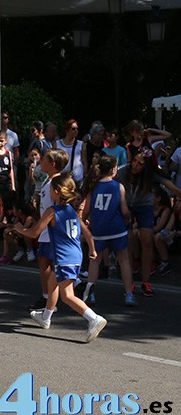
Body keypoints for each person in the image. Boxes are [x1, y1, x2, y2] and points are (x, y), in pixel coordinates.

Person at [15, 174, 107, 343]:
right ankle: (46, 316)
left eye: (51, 189)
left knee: (67, 295)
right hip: (75, 255)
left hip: (64, 257)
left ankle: (94, 319)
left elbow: (35, 232)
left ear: (56, 191)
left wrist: (20, 229)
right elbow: (87, 232)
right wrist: (92, 249)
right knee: (53, 282)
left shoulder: (52, 211)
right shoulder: (71, 210)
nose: (49, 192)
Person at [116, 147, 181, 297]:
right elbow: (106, 179)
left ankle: (146, 282)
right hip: (127, 206)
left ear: (146, 167)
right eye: (135, 161)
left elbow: (172, 187)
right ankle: (129, 281)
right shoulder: (123, 171)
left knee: (147, 240)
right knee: (130, 239)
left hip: (145, 205)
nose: (135, 165)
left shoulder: (151, 175)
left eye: (140, 164)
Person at [80, 155, 136, 307]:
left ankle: (90, 293)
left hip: (99, 229)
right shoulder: (118, 186)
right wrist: (129, 218)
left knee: (94, 260)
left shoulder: (93, 187)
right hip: (116, 228)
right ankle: (129, 294)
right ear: (113, 169)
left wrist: (84, 220)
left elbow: (86, 210)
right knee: (124, 259)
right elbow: (124, 210)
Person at [28, 148, 68, 312]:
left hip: (51, 229)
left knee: (46, 262)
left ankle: (48, 298)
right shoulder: (49, 180)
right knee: (47, 262)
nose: (41, 160)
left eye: (44, 158)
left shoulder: (55, 183)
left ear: (52, 164)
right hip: (48, 228)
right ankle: (49, 297)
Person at [54, 119, 84, 187]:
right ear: (67, 130)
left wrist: (85, 173)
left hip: (78, 178)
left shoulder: (81, 144)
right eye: (73, 129)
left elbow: (84, 160)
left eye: (77, 128)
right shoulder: (57, 144)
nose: (76, 131)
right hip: (63, 178)